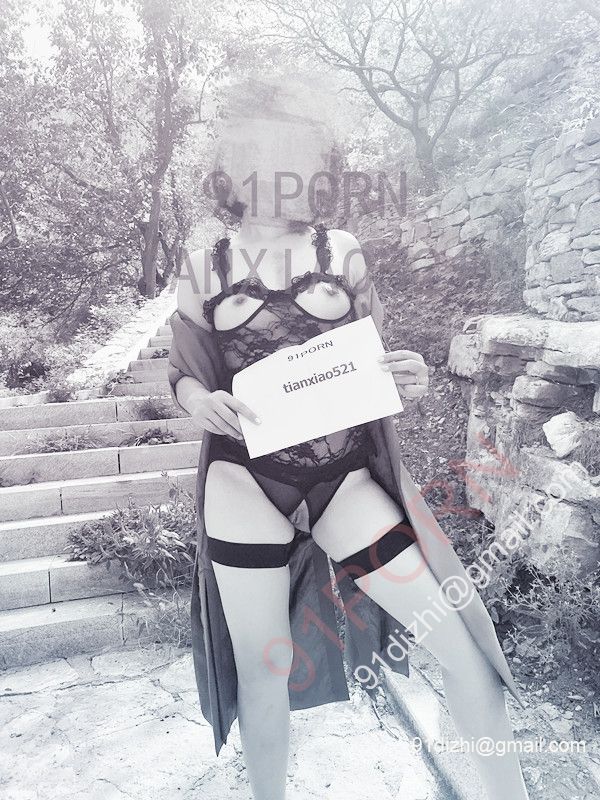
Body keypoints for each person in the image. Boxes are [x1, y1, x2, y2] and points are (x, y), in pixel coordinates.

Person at [167, 73, 530, 800]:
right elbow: (185, 374)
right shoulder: (204, 266)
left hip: (344, 479)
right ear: (236, 168)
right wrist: (201, 402)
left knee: (463, 652)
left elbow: (376, 365)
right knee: (264, 671)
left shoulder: (343, 252)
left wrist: (408, 376)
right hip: (245, 482)